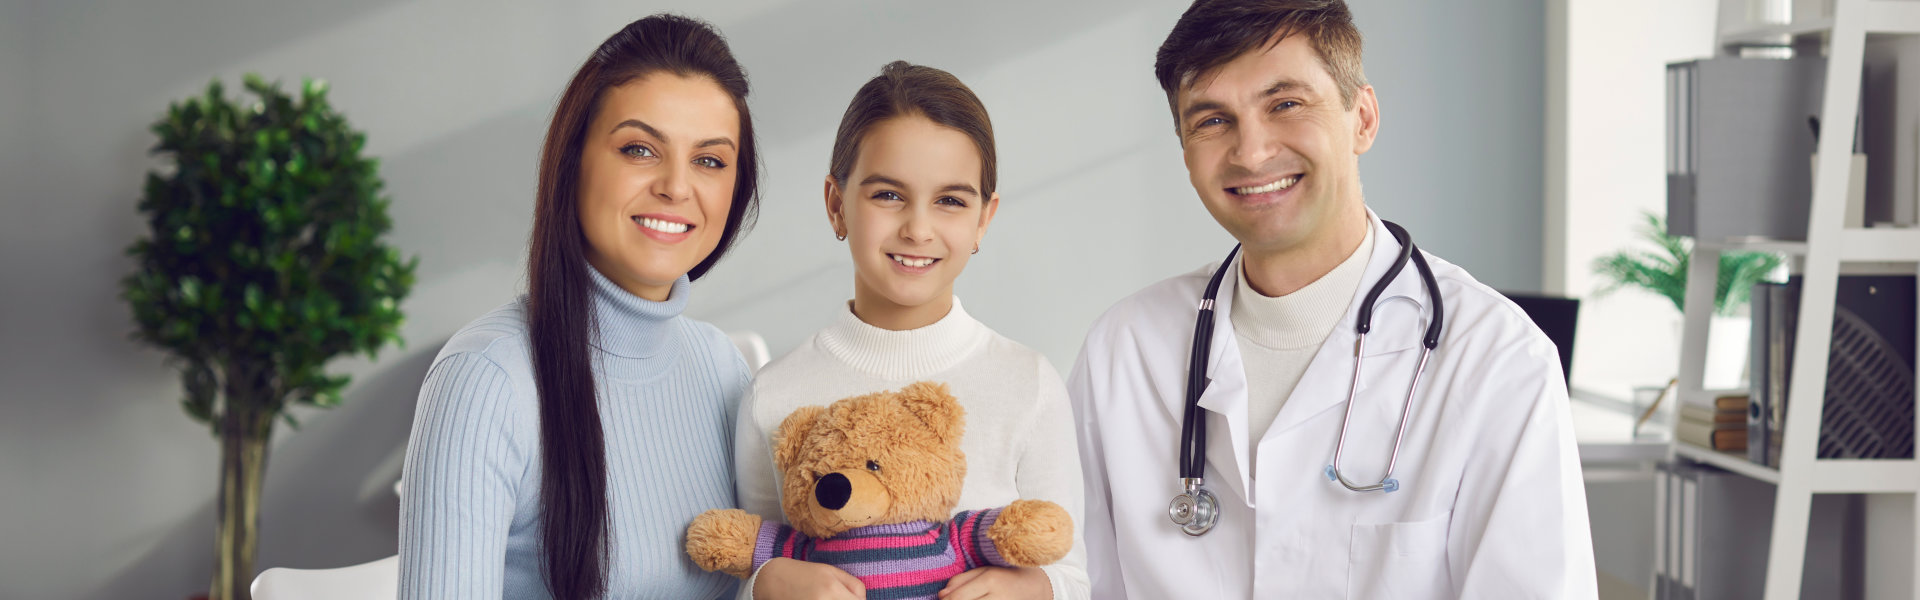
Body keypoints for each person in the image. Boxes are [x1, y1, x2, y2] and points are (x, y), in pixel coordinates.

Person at [1067, 1, 1599, 597]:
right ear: (1185, 150)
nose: (1251, 151)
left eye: (1286, 104)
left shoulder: (1498, 358)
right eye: (1212, 120)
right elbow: (1078, 582)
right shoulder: (1125, 349)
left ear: (1363, 118)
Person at [398, 14, 761, 599]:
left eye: (710, 160)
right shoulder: (485, 380)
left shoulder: (723, 367)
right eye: (640, 149)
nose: (676, 186)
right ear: (574, 163)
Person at [731, 61, 1090, 600]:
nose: (918, 228)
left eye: (950, 200)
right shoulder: (774, 394)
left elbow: (1073, 575)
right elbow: (751, 559)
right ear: (836, 205)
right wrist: (765, 584)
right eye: (888, 195)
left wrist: (1036, 590)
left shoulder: (1028, 383)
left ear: (983, 220)